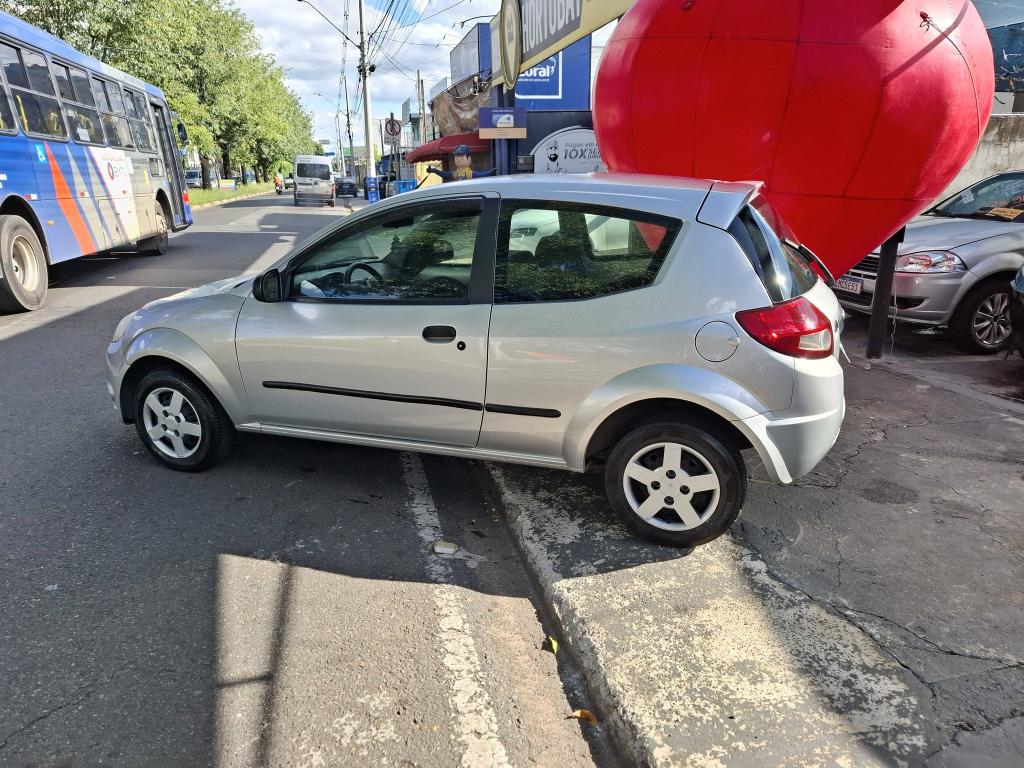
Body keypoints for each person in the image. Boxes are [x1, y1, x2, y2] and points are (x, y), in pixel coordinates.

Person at [427, 144, 496, 182]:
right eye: (457, 157)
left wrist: (489, 173)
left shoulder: (469, 173)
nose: (459, 160)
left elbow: (480, 175)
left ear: (469, 159)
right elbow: (446, 175)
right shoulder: (456, 173)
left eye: (462, 157)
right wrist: (435, 171)